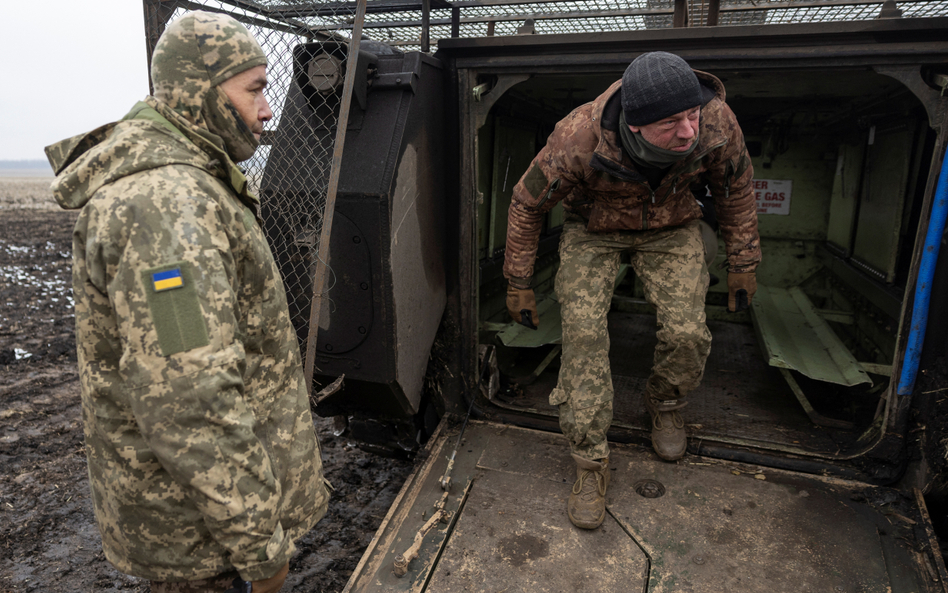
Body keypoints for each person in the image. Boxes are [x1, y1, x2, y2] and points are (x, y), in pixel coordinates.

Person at [45, 11, 330, 592]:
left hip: (207, 528)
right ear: (201, 93)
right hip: (202, 540)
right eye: (253, 90)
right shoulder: (166, 207)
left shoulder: (189, 182)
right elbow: (190, 397)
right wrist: (262, 549)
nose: (268, 108)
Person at [503, 52, 760, 530]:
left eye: (691, 115)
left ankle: (665, 404)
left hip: (672, 224)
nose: (687, 131)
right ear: (635, 126)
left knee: (687, 332)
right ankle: (589, 463)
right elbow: (526, 202)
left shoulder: (716, 122)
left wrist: (743, 263)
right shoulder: (576, 139)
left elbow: (736, 188)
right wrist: (518, 282)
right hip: (593, 229)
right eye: (671, 123)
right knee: (582, 338)